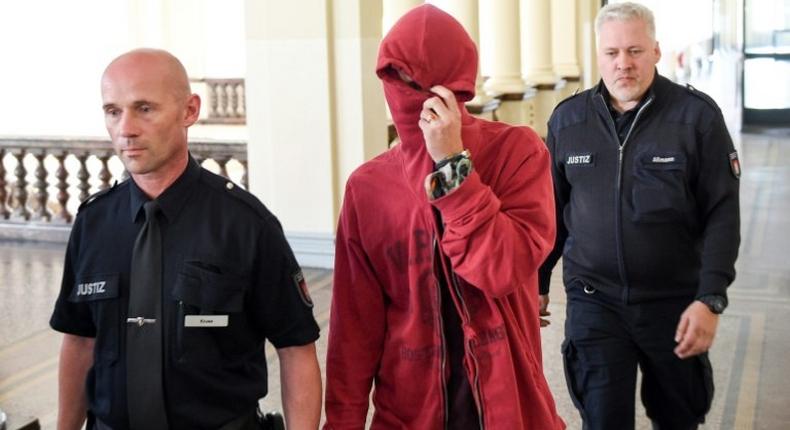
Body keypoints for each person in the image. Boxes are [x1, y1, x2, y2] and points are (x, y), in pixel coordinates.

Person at [50, 48, 322, 430]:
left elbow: (295, 349)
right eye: (113, 111)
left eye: (144, 108)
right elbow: (79, 341)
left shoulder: (246, 224)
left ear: (189, 111)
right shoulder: (93, 223)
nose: (126, 128)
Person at [324, 5, 564, 429]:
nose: (403, 92)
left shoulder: (518, 153)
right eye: (393, 77)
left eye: (414, 81)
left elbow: (502, 270)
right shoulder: (368, 187)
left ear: (455, 90)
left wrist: (453, 167)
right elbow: (354, 329)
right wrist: (342, 421)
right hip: (408, 413)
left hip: (509, 406)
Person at [539, 3, 740, 429]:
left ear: (656, 51)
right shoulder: (568, 121)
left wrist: (710, 298)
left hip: (674, 304)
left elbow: (722, 213)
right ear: (598, 56)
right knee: (602, 419)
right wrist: (536, 282)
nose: (623, 64)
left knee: (678, 418)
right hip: (594, 302)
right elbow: (551, 213)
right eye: (612, 53)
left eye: (634, 51)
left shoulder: (696, 118)